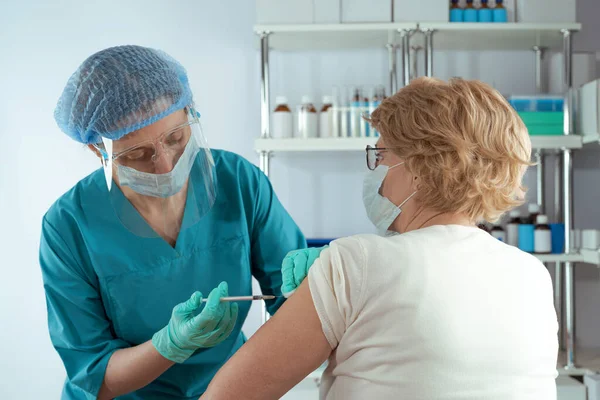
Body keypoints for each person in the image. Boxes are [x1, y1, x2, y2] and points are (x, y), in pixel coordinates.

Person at [201, 77, 559, 399]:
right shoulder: (532, 274)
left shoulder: (357, 261)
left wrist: (335, 282)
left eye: (381, 155)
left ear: (419, 170)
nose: (375, 172)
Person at [40, 45, 305, 399]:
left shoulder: (238, 181)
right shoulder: (68, 226)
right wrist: (170, 345)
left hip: (228, 388)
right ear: (98, 151)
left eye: (176, 139)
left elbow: (296, 304)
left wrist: (318, 282)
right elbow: (94, 376)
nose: (165, 165)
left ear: (190, 112)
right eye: (138, 154)